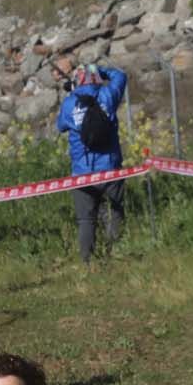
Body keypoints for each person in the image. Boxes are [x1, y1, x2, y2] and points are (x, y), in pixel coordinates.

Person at [55, 62, 128, 263]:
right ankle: (115, 256)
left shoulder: (70, 103)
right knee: (114, 213)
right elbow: (120, 75)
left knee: (86, 220)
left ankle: (87, 262)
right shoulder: (108, 96)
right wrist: (99, 70)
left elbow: (60, 126)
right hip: (111, 169)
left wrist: (72, 92)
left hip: (82, 172)